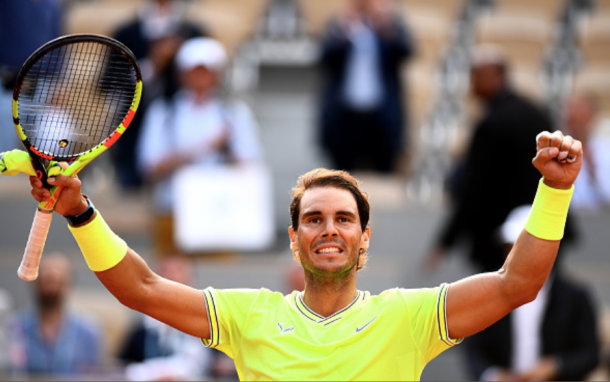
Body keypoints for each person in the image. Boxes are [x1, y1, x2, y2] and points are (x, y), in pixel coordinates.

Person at [27, 129, 583, 380]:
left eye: (344, 219)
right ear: (294, 239)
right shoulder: (250, 316)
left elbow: (518, 284)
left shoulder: (408, 318)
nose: (329, 229)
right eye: (313, 219)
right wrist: (80, 212)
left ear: (365, 238)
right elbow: (140, 289)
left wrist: (556, 190)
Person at [427, 45, 575, 273]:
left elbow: (475, 187)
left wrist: (446, 241)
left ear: (495, 75)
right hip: (544, 229)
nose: (471, 83)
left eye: (476, 75)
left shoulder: (493, 123)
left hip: (499, 239)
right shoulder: (535, 112)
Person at [136, 37, 263, 255]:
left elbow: (250, 166)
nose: (201, 77)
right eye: (195, 70)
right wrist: (207, 146)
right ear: (181, 74)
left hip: (219, 215)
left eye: (207, 70)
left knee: (221, 284)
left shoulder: (235, 113)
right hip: (172, 211)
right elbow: (150, 167)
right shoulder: (163, 112)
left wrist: (229, 149)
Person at [465, 205, 600, 381]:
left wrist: (555, 365)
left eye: (520, 247)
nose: (512, 254)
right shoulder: (488, 294)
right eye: (509, 247)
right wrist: (494, 375)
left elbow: (590, 354)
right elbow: (474, 349)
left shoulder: (575, 297)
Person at [111, 0, 206, 189]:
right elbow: (110, 82)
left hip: (179, 134)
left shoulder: (192, 33)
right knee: (130, 188)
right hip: (132, 129)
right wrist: (153, 64)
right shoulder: (126, 33)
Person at [318, 0, 415, 173]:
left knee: (382, 171)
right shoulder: (342, 24)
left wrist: (386, 23)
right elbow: (325, 56)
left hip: (381, 115)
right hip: (345, 114)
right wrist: (344, 30)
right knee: (342, 176)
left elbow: (405, 51)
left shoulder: (387, 25)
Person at [118, 256, 214, 381]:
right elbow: (123, 365)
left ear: (191, 279)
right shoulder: (142, 330)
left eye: (178, 271)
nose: (171, 277)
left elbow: (218, 366)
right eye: (165, 271)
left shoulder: (208, 324)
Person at [6, 252, 102, 377]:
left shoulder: (89, 331)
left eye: (58, 280)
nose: (51, 288)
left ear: (69, 284)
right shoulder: (14, 328)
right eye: (46, 280)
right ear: (35, 284)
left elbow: (93, 376)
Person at [0, 0, 63, 153]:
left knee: (36, 147)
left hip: (43, 84)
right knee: (5, 144)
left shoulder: (52, 5)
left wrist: (59, 82)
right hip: (9, 80)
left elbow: (57, 41)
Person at [563, 93, 610, 211]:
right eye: (573, 119)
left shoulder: (603, 149)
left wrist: (592, 170)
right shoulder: (557, 151)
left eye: (582, 117)